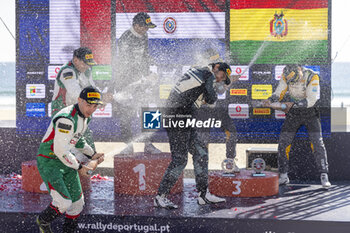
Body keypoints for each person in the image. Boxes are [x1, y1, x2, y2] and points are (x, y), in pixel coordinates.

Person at [154, 62, 232, 209]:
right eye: (222, 77)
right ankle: (160, 196)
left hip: (182, 115)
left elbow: (198, 96)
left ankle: (203, 194)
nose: (221, 80)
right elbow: (212, 99)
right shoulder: (208, 74)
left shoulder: (198, 70)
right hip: (178, 117)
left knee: (200, 152)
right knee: (180, 159)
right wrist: (215, 91)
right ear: (217, 69)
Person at [36, 86, 105, 233]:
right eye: (88, 105)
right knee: (63, 203)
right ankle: (42, 221)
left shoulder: (86, 116)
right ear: (79, 100)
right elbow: (60, 150)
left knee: (77, 204)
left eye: (95, 106)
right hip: (50, 161)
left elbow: (77, 139)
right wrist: (80, 168)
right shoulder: (66, 119)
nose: (91, 109)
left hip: (66, 160)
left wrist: (92, 154)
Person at [262, 64, 331, 188]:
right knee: (283, 142)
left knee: (317, 142)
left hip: (310, 112)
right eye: (290, 82)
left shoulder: (312, 76)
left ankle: (324, 174)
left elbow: (311, 100)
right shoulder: (286, 75)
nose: (293, 83)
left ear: (299, 70)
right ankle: (283, 175)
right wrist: (271, 99)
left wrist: (292, 104)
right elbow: (279, 92)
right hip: (294, 113)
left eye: (295, 80)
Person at [112, 12, 161, 154]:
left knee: (147, 110)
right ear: (136, 25)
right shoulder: (125, 38)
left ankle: (149, 144)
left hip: (140, 79)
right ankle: (128, 146)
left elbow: (144, 57)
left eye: (147, 27)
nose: (146, 30)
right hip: (125, 81)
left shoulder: (144, 35)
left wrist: (148, 71)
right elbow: (126, 63)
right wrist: (142, 77)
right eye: (144, 27)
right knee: (126, 114)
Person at [195, 48, 240, 172]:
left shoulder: (217, 73)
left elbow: (220, 90)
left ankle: (230, 161)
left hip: (215, 108)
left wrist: (229, 81)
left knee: (231, 132)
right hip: (202, 110)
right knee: (203, 140)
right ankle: (201, 169)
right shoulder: (200, 72)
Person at [51, 47, 98, 151]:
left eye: (89, 63)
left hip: (76, 111)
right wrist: (95, 100)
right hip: (62, 112)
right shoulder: (67, 71)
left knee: (87, 141)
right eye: (85, 63)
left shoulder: (87, 71)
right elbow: (75, 92)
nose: (87, 66)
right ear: (76, 60)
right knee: (67, 145)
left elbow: (92, 88)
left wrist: (101, 97)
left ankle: (88, 164)